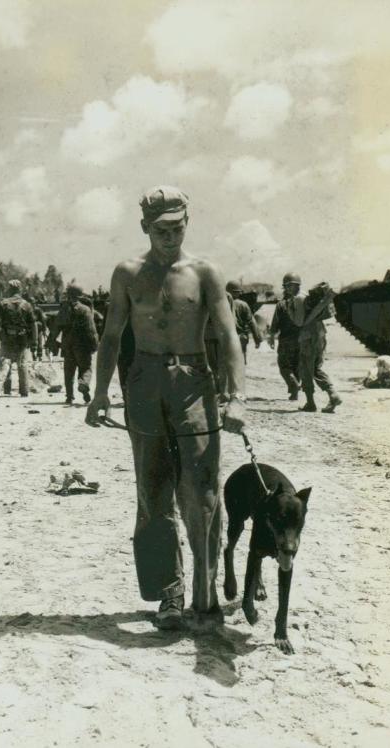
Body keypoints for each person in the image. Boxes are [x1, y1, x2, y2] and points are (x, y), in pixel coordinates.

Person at [86, 185, 246, 632]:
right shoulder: (127, 273)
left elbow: (229, 335)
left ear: (187, 224)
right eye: (161, 229)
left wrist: (238, 398)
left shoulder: (205, 272)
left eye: (178, 227)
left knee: (202, 492)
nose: (170, 236)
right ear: (144, 228)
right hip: (144, 384)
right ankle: (170, 594)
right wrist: (100, 394)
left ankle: (206, 588)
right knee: (152, 493)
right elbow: (113, 337)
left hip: (195, 384)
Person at [295, 281, 342, 413]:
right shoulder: (307, 297)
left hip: (307, 337)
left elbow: (298, 321)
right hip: (320, 335)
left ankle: (314, 402)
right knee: (316, 368)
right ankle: (329, 395)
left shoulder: (298, 299)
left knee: (306, 369)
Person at [55, 284, 98, 404]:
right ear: (80, 295)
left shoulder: (64, 309)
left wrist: (51, 343)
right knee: (86, 368)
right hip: (82, 345)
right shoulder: (85, 309)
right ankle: (83, 385)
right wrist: (94, 344)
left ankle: (69, 396)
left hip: (67, 344)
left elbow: (56, 327)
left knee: (68, 371)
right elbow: (91, 330)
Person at [0, 279, 36, 397]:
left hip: (6, 337)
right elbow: (33, 324)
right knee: (22, 364)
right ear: (19, 289)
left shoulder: (2, 304)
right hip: (22, 338)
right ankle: (24, 391)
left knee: (4, 362)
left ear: (9, 289)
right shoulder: (27, 305)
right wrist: (34, 340)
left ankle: (7, 390)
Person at [268, 272, 303, 400]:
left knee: (284, 366)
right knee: (297, 366)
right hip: (302, 340)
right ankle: (294, 393)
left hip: (286, 340)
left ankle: (293, 385)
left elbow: (274, 324)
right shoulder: (304, 301)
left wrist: (271, 337)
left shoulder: (281, 304)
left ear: (286, 287)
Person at [225, 281, 262, 364]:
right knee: (241, 361)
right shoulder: (243, 305)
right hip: (241, 337)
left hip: (227, 338)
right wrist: (257, 339)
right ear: (238, 292)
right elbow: (252, 322)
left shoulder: (222, 304)